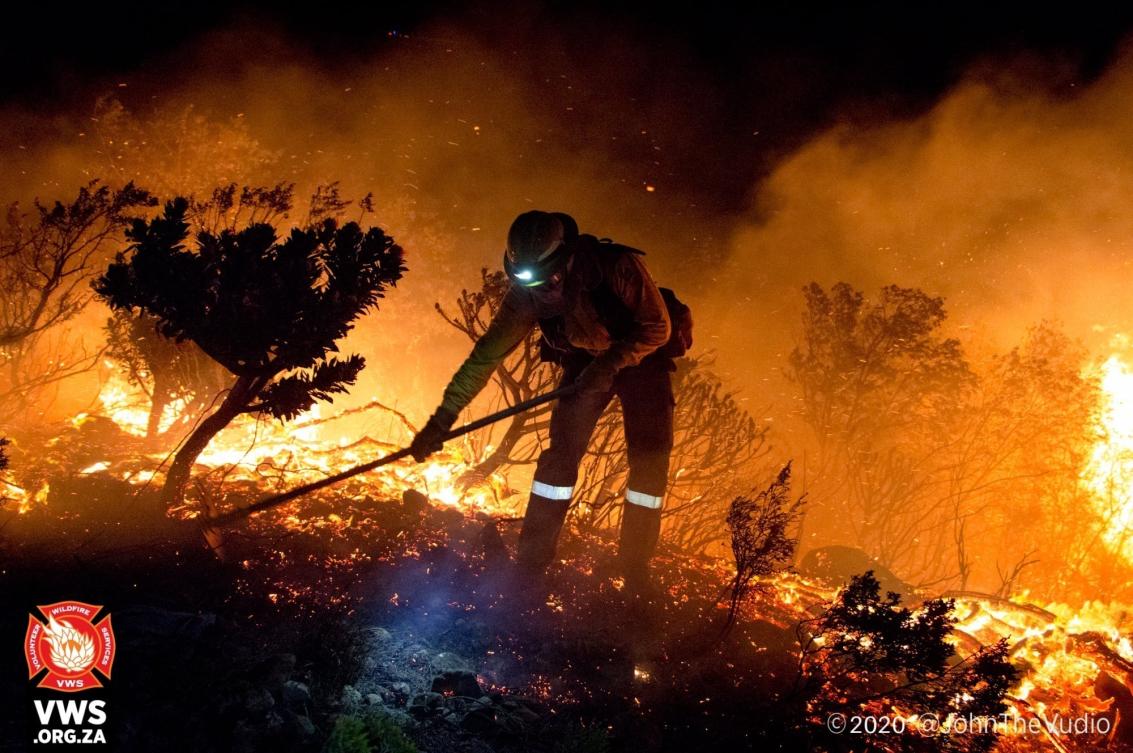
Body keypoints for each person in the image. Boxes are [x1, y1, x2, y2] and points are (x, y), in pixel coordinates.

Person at [410, 210, 682, 587]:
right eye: (532, 284)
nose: (543, 291)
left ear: (565, 260)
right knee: (558, 463)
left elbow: (658, 327)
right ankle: (531, 563)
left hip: (643, 361)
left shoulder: (616, 266)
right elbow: (485, 357)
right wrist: (442, 419)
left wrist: (610, 365)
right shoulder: (526, 298)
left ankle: (635, 570)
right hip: (583, 362)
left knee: (649, 465)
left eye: (548, 279)